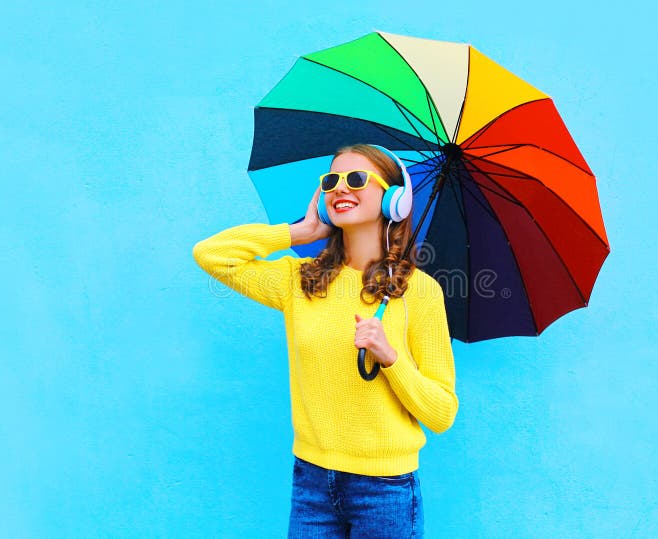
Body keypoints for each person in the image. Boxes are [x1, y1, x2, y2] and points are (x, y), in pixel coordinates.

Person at [192, 143, 458, 538]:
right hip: (312, 482)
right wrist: (299, 231)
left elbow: (442, 413)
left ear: (394, 199)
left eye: (356, 179)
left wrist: (391, 358)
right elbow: (212, 255)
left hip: (384, 491)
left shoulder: (419, 293)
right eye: (331, 181)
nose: (339, 189)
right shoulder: (299, 281)